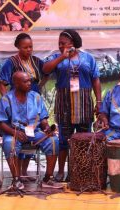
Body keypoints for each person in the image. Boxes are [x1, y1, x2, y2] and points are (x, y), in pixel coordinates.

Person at [43, 29, 102, 182]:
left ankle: (80, 171)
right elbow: (45, 69)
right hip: (64, 103)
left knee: (83, 139)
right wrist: (62, 56)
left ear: (73, 43)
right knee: (63, 139)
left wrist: (99, 102)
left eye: (63, 43)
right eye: (59, 43)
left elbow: (96, 80)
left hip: (84, 103)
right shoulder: (56, 57)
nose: (60, 45)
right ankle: (61, 171)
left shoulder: (88, 58)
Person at [0, 71, 62, 189]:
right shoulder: (6, 99)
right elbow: (0, 122)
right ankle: (16, 180)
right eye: (25, 81)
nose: (29, 83)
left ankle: (48, 178)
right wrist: (15, 132)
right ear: (16, 83)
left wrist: (46, 127)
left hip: (34, 133)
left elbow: (42, 118)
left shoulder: (36, 97)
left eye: (29, 80)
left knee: (53, 140)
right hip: (14, 133)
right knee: (9, 143)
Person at [0, 33, 48, 180]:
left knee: (30, 131)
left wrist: (39, 87)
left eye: (31, 47)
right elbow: (1, 82)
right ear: (18, 47)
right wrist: (8, 101)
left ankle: (24, 172)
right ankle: (17, 175)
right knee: (18, 135)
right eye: (25, 47)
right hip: (16, 102)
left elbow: (47, 72)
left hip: (33, 101)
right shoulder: (11, 62)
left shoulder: (36, 61)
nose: (29, 50)